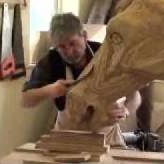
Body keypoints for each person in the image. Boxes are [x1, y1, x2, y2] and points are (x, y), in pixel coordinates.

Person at [21, 13, 141, 146]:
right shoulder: (51, 61)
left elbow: (135, 95)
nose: (69, 51)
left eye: (73, 44)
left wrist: (126, 109)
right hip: (68, 138)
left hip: (106, 138)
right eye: (61, 47)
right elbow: (26, 100)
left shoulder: (108, 55)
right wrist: (50, 90)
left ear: (84, 35)